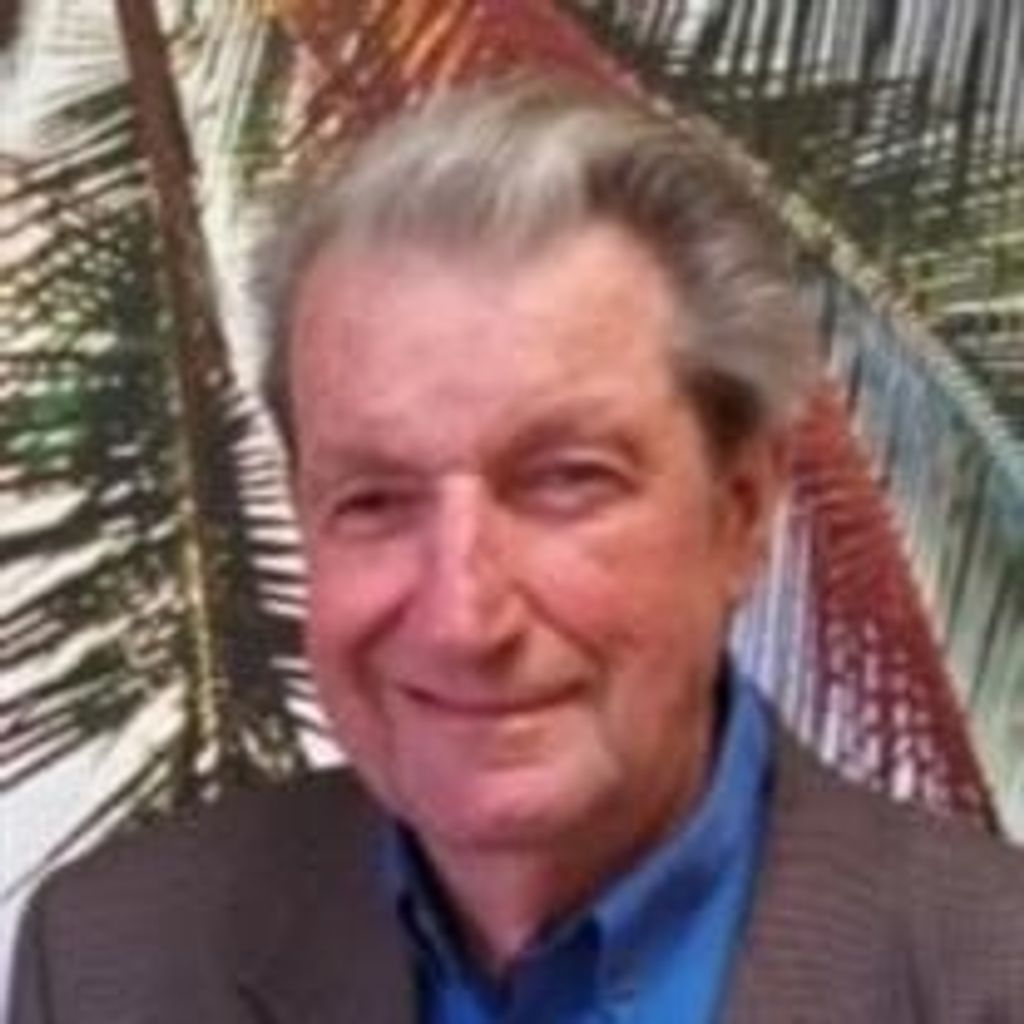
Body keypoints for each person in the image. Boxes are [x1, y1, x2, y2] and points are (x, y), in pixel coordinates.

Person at [8, 75, 1024, 1024]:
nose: (461, 618)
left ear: (741, 511)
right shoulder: (112, 964)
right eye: (374, 499)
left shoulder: (989, 974)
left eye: (566, 481)